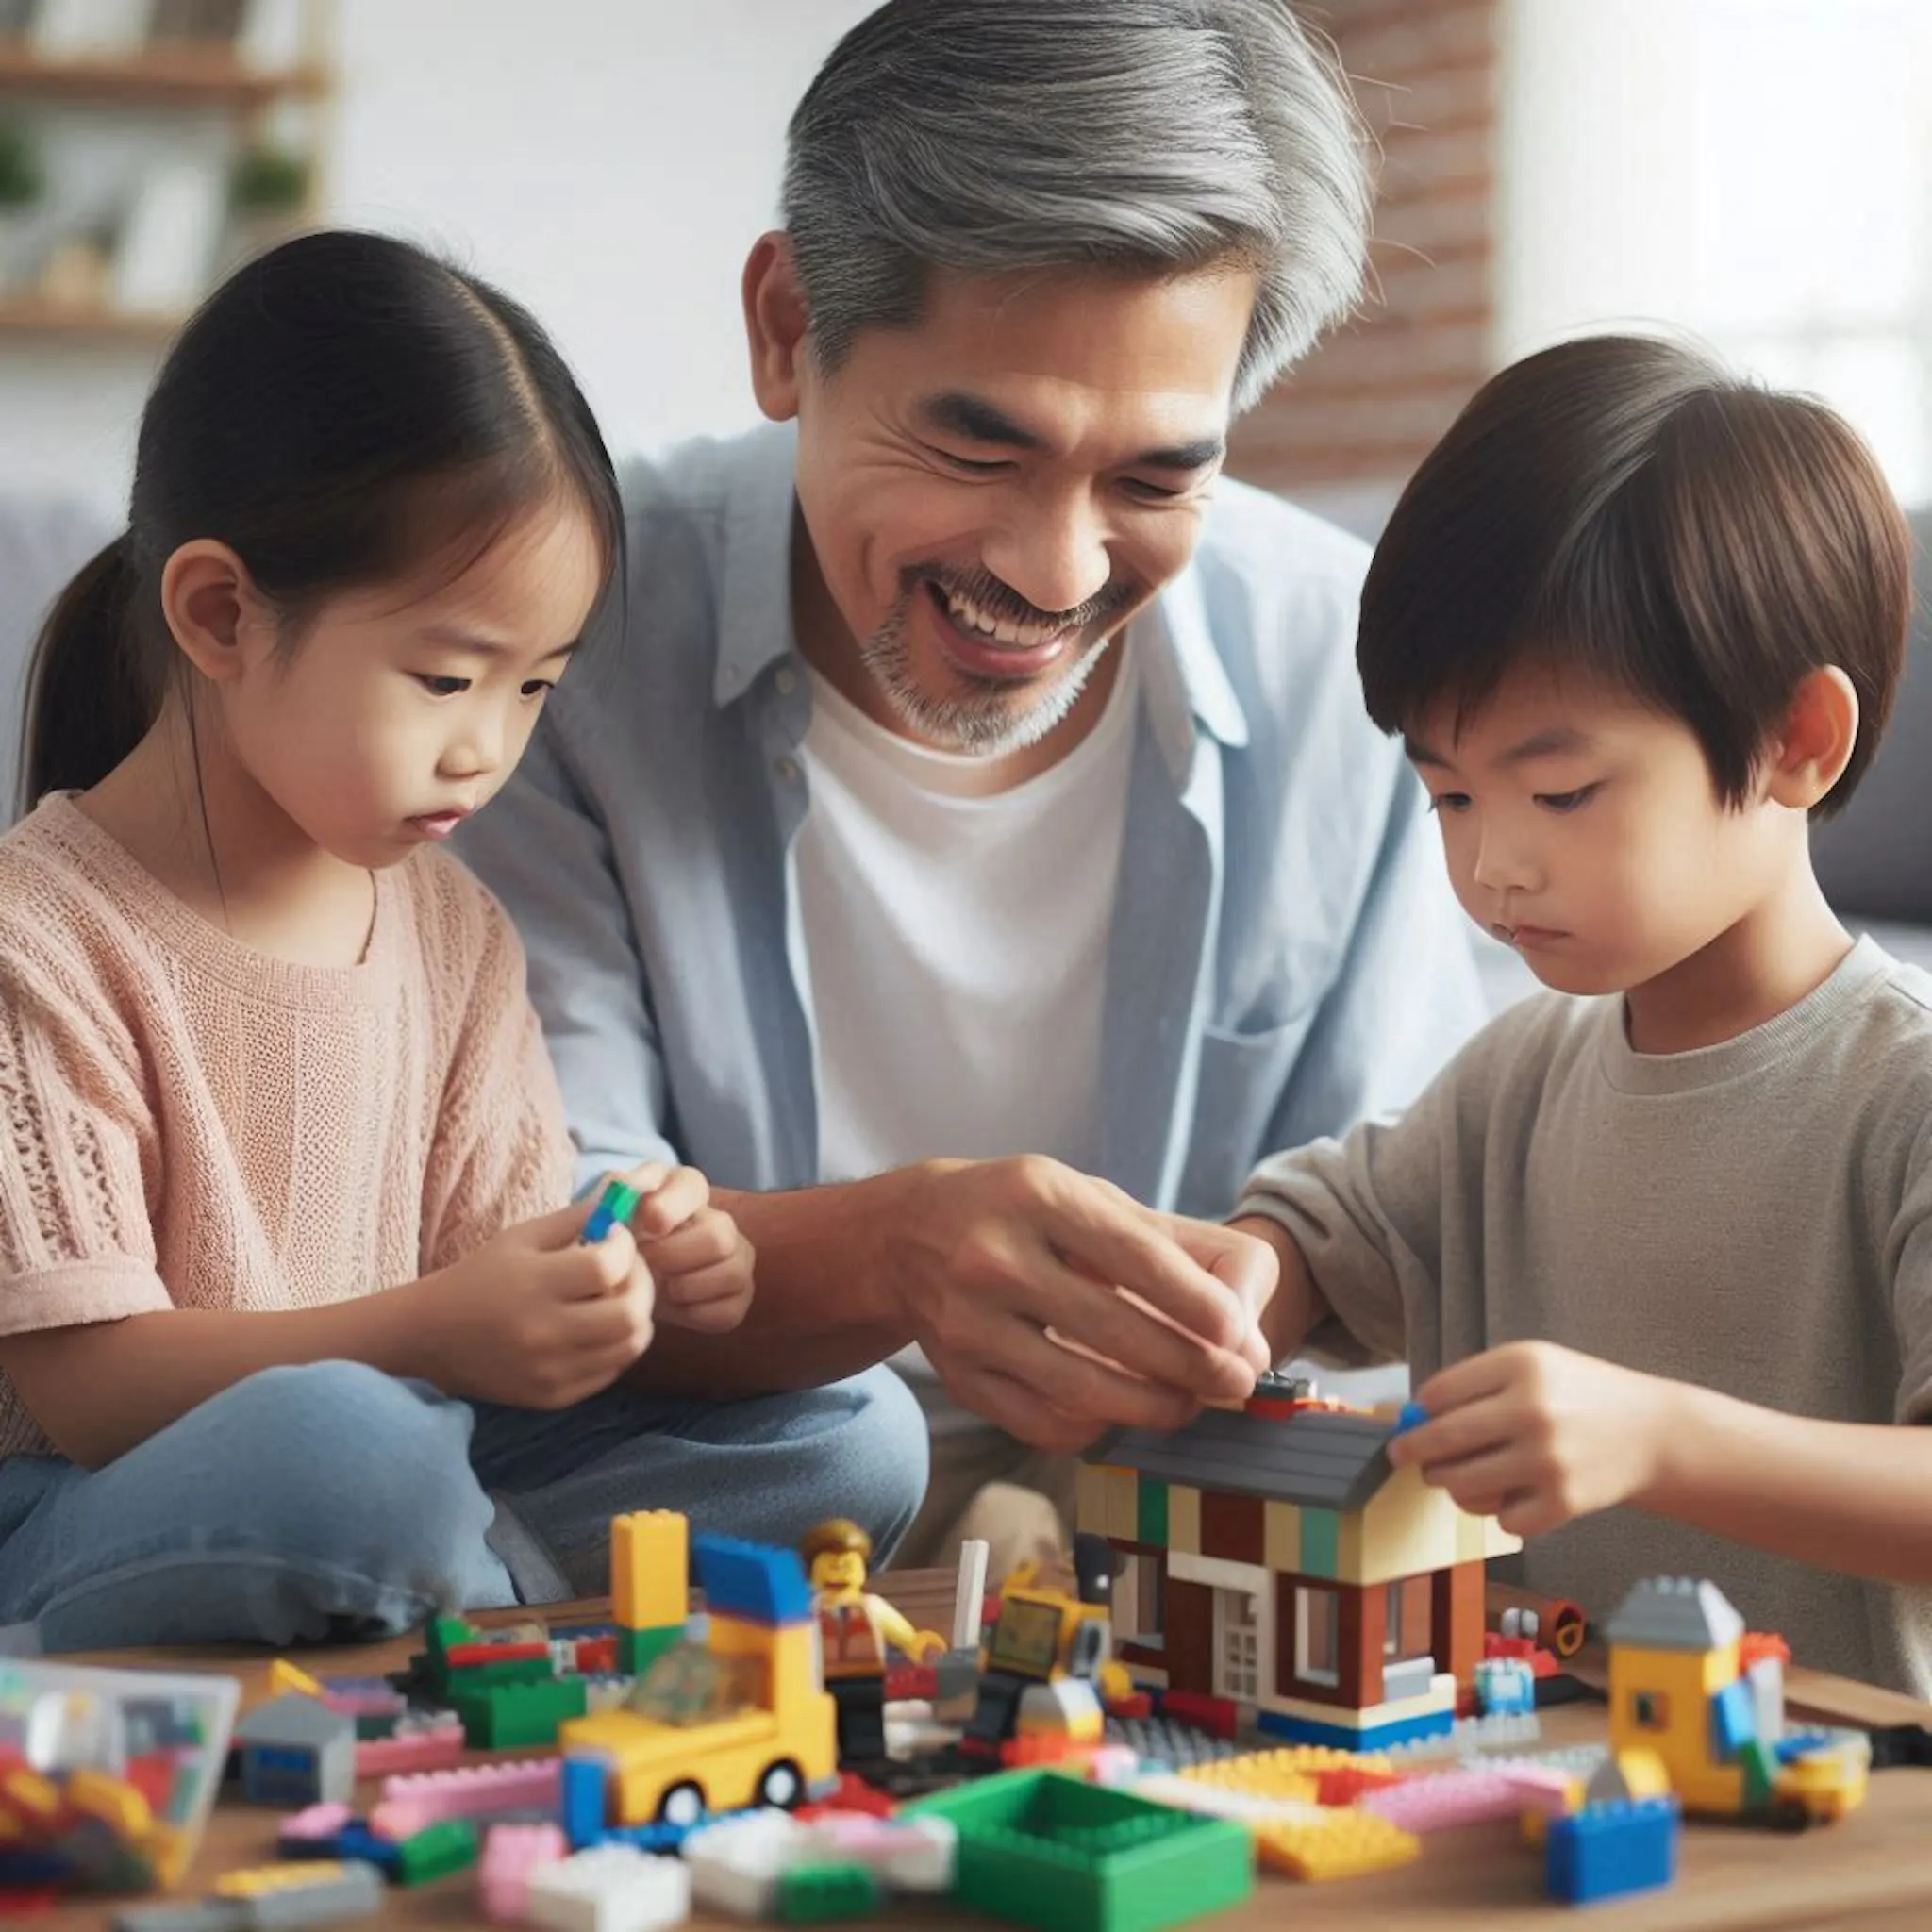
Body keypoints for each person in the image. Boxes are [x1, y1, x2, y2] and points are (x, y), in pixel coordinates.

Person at [459, 0, 1488, 1573]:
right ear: (789, 328)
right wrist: (895, 1254)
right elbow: (530, 1233)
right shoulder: (557, 644)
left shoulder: (1343, 670)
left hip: (1177, 1506)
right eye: (980, 450)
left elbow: (1414, 1215)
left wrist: (1244, 1302)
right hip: (710, 1497)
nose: (1054, 568)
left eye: (1155, 478)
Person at [0, 230, 922, 1653]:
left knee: (856, 1431)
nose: (485, 752)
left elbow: (499, 1295)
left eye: (536, 686)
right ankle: (466, 1584)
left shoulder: (454, 934)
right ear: (221, 613)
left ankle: (449, 1590)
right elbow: (95, 1393)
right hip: (97, 1508)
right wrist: (435, 1334)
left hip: (415, 1464)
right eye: (442, 678)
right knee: (348, 1453)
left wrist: (637, 1276)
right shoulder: (41, 937)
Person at [1239, 332, 1932, 1694]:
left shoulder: (1898, 1095)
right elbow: (1333, 1231)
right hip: (1527, 1776)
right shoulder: (1518, 1078)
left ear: (1798, 741)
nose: (1494, 863)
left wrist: (1663, 1441)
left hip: (1849, 1823)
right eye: (1450, 794)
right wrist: (1239, 1282)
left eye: (1561, 794)